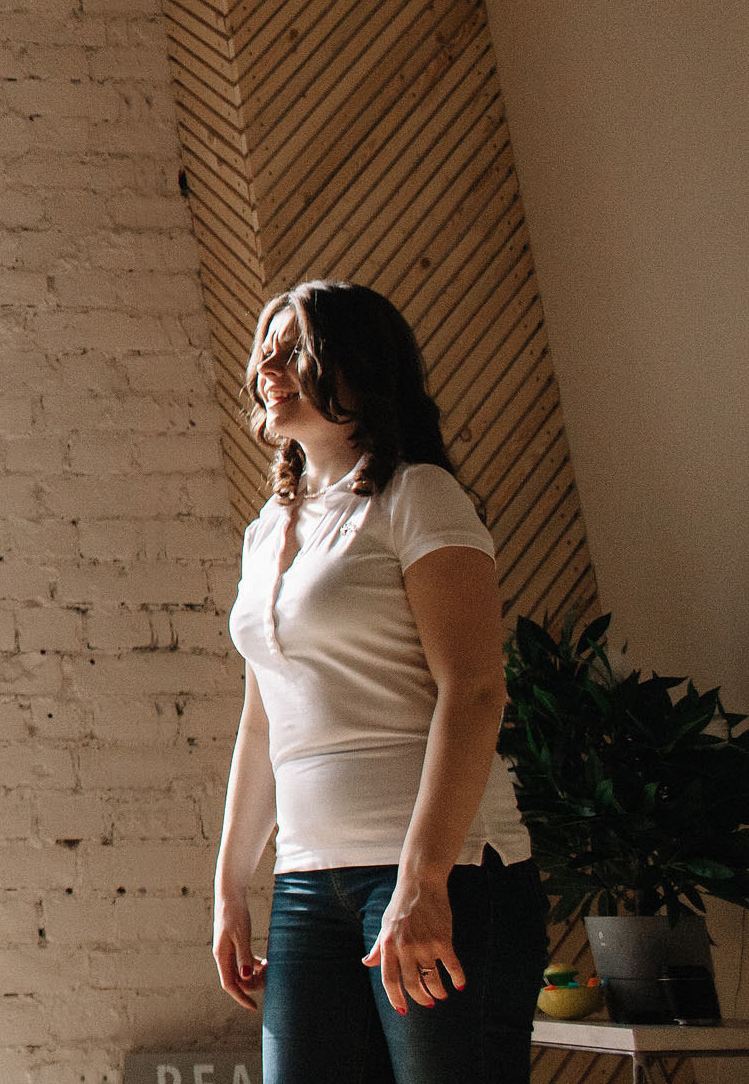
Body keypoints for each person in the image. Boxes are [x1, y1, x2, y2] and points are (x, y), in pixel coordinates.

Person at [211, 280, 546, 1083]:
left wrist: (423, 881)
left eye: (295, 349)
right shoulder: (267, 534)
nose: (268, 365)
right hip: (307, 885)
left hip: (444, 873)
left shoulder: (418, 496)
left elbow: (473, 691)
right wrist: (230, 886)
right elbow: (264, 726)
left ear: (358, 367)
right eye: (267, 347)